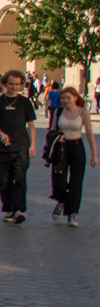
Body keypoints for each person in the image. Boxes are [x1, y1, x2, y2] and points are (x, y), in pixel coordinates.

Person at [0, 70, 37, 223]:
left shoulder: (25, 102)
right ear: (4, 84)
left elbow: (31, 125)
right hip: (3, 149)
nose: (14, 87)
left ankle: (20, 209)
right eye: (11, 84)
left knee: (20, 178)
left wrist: (33, 144)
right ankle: (9, 208)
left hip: (21, 146)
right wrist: (1, 134)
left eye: (17, 84)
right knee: (4, 181)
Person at [47, 87, 96, 227]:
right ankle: (61, 201)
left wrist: (95, 154)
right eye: (63, 98)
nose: (65, 100)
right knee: (58, 180)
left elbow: (89, 134)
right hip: (61, 148)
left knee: (76, 182)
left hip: (76, 147)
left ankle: (73, 213)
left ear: (75, 98)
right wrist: (56, 137)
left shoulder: (82, 112)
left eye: (68, 98)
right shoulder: (59, 111)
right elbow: (52, 130)